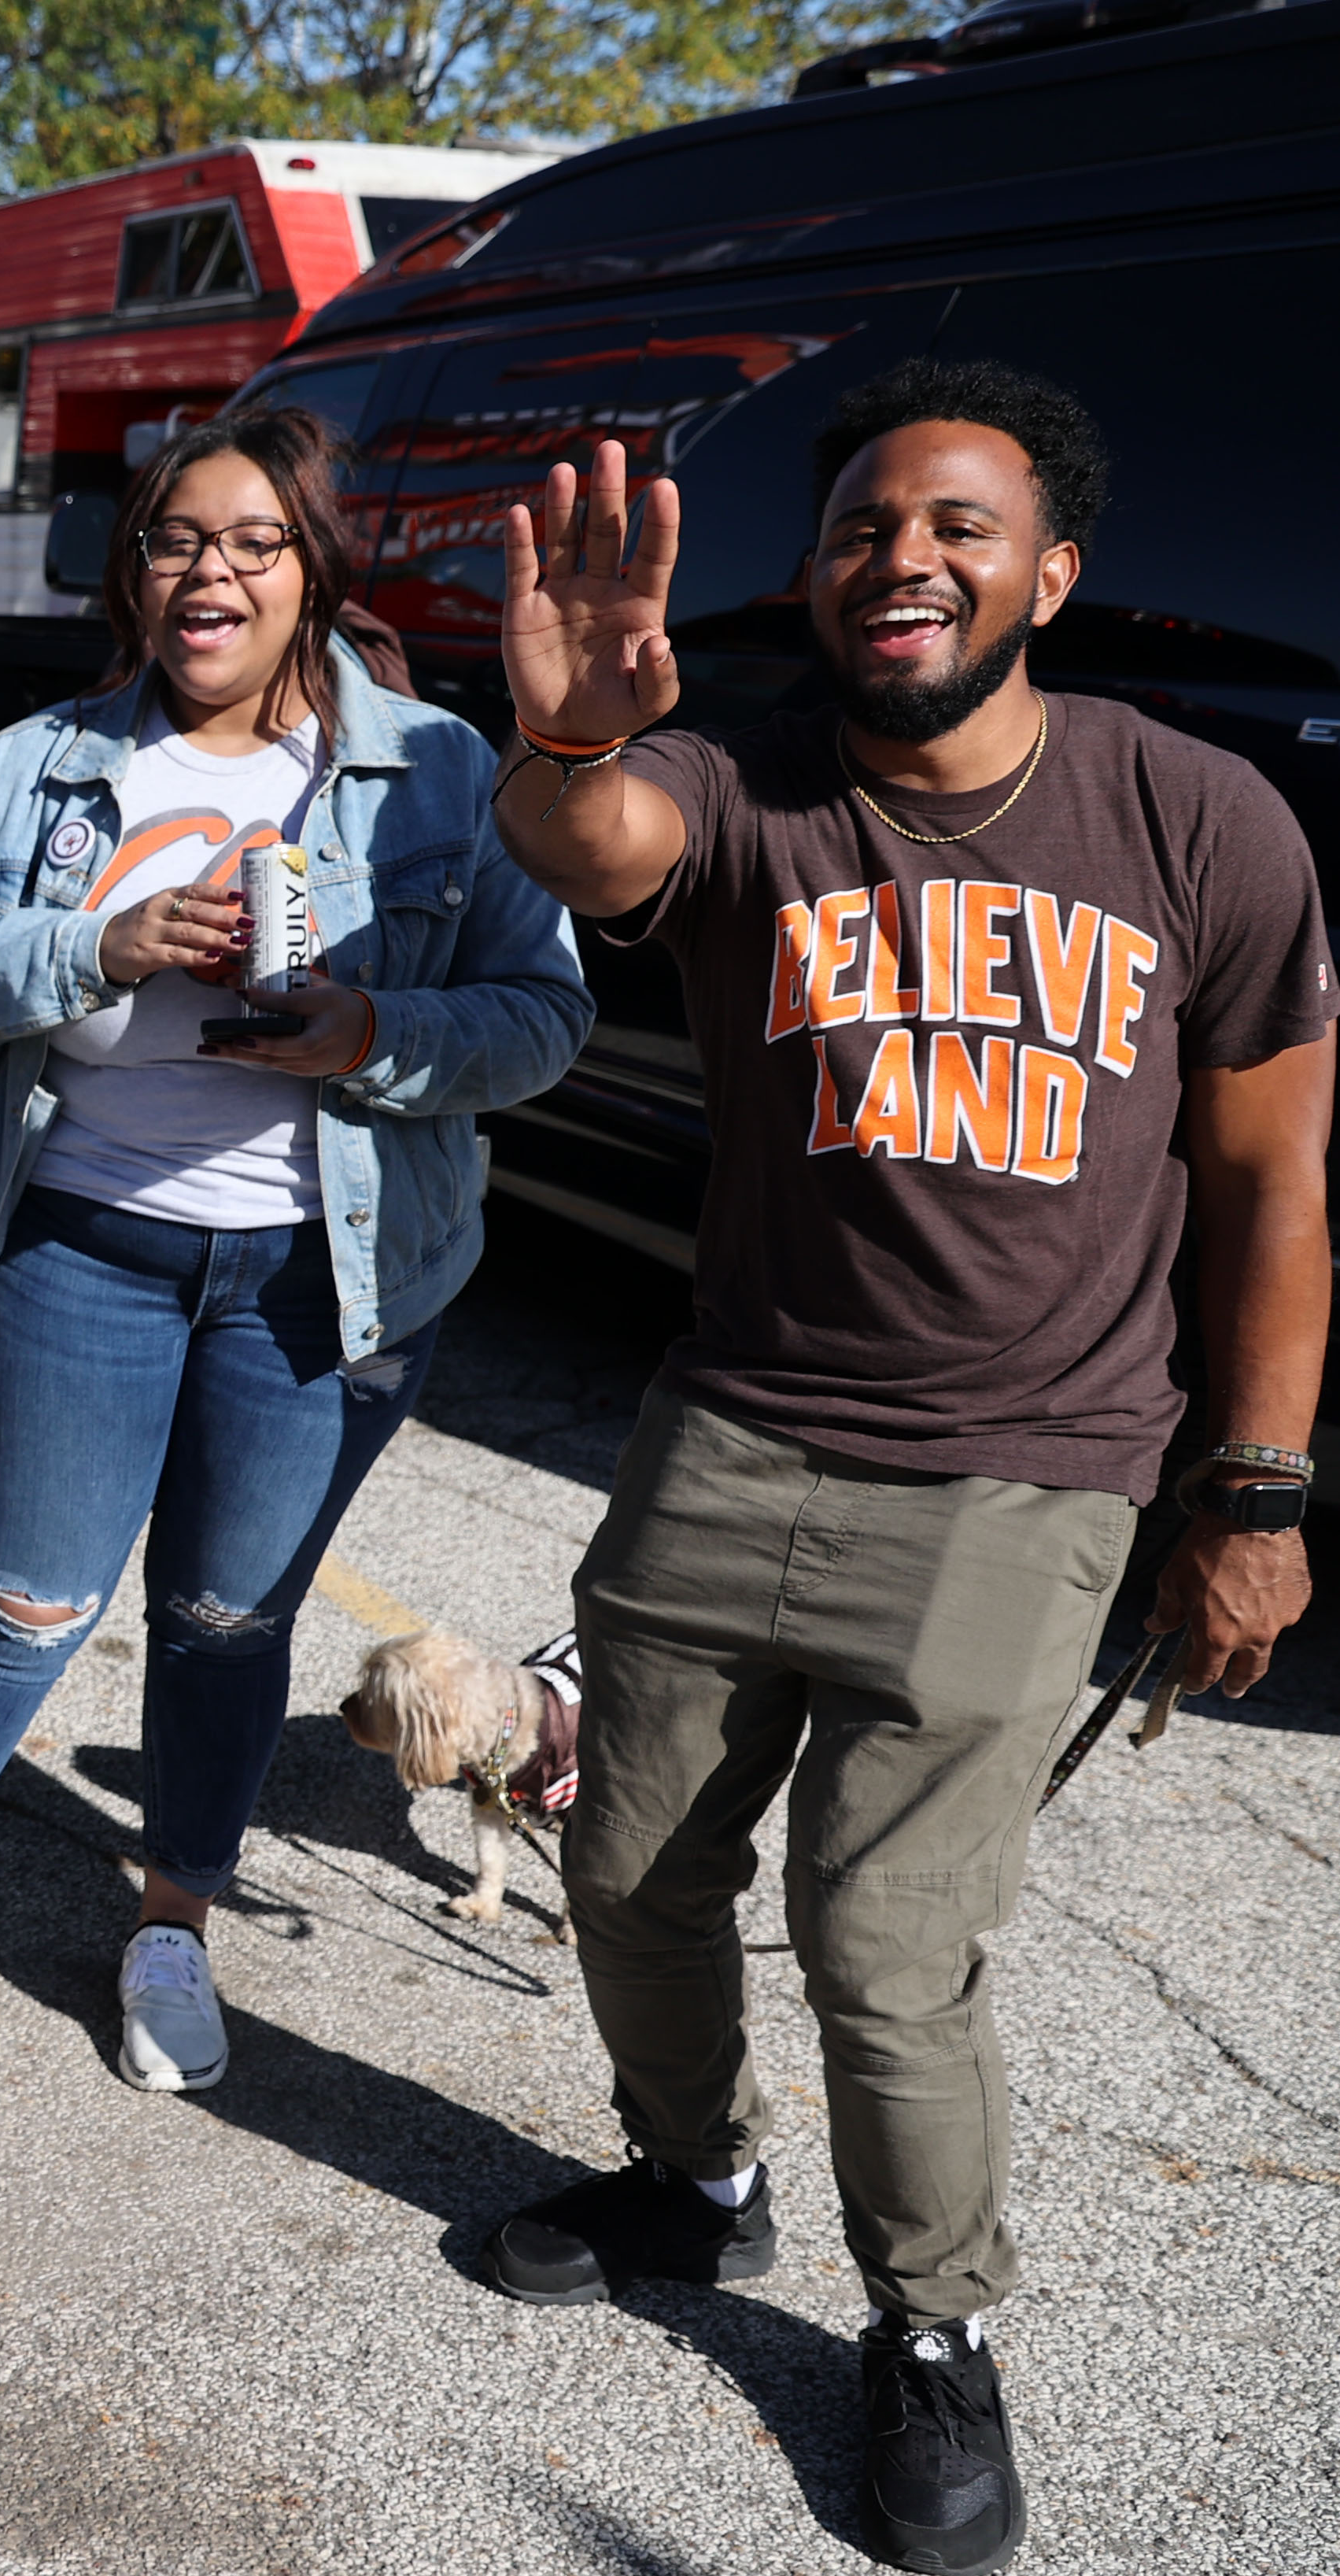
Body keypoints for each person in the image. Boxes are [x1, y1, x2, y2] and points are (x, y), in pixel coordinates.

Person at [478, 361, 1327, 2572]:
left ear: (1051, 571)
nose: (904, 560)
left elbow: (1273, 1190)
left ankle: (932, 2335)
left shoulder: (1198, 819)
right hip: (734, 1428)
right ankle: (693, 2184)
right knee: (632, 1873)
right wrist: (565, 731)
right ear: (812, 567)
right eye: (862, 524)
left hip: (1025, 1477)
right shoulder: (735, 772)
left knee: (881, 1940)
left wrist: (1252, 1493)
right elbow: (597, 843)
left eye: (957, 525)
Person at [0, 406, 592, 2103]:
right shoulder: (39, 764)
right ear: (132, 565)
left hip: (328, 1278)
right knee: (17, 1604)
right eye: (174, 538)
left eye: (252, 541)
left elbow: (542, 1015)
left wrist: (364, 1031)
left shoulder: (440, 771)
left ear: (312, 568)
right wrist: (94, 943)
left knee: (231, 1617)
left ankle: (172, 1924)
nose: (208, 572)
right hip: (86, 1245)